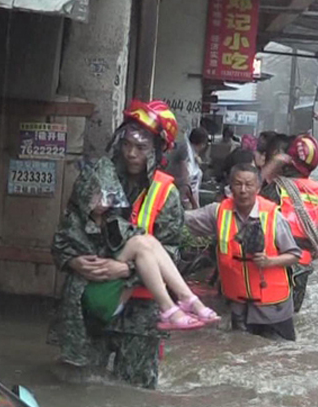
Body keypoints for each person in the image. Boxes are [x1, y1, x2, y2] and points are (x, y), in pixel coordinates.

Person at [49, 100, 217, 388]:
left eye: (141, 148)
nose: (131, 153)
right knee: (80, 384)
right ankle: (187, 303)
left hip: (141, 311)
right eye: (127, 145)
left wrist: (126, 269)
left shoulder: (167, 194)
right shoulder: (95, 179)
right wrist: (73, 261)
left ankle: (181, 305)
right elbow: (63, 238)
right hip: (89, 303)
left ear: (157, 149)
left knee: (136, 390)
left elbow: (173, 254)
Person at [185, 163, 302, 341]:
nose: (243, 190)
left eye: (249, 184)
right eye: (238, 184)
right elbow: (184, 219)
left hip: (274, 309)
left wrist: (270, 261)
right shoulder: (218, 212)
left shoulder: (273, 216)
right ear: (230, 187)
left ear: (258, 187)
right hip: (239, 308)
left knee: (281, 355)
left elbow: (294, 255)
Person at [166, 127, 209, 209]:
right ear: (202, 144)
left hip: (180, 192)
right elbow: (186, 180)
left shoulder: (187, 148)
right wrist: (194, 204)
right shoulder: (185, 150)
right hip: (179, 193)